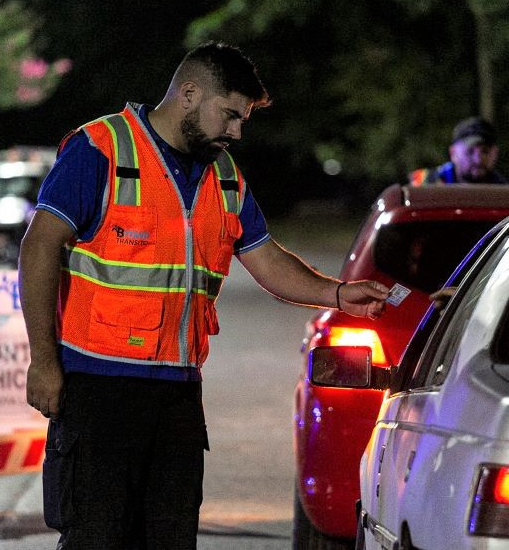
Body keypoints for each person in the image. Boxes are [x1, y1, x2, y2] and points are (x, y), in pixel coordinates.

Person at [19, 41, 389, 549]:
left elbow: (268, 261)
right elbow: (38, 251)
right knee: (95, 539)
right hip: (97, 391)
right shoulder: (101, 148)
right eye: (231, 115)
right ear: (190, 94)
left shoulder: (225, 176)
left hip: (176, 396)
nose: (236, 132)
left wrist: (341, 294)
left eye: (243, 120)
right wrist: (44, 361)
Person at [407, 116, 508, 185]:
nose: (478, 160)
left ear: (495, 153)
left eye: (485, 151)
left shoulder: (507, 192)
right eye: (470, 152)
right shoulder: (425, 183)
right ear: (453, 153)